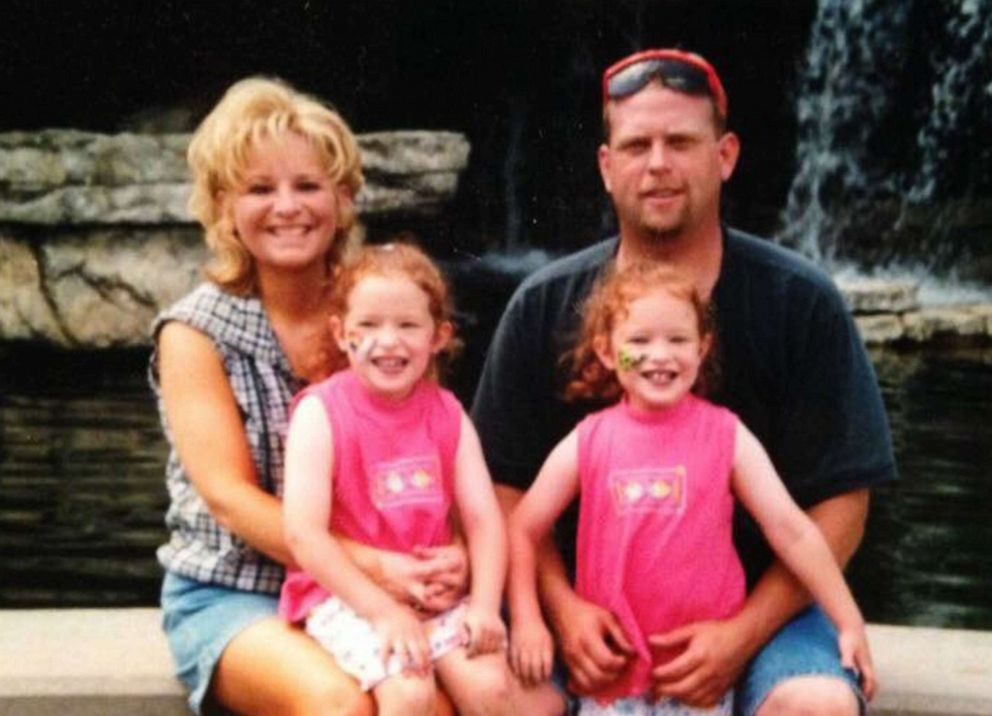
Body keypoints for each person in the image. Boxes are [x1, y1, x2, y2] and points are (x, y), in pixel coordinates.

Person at [471, 48, 897, 716]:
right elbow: (504, 491)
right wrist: (562, 609)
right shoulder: (544, 304)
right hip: (591, 617)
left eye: (681, 142)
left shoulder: (800, 300)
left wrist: (742, 633)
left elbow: (843, 505)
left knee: (816, 705)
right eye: (637, 145)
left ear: (724, 156)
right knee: (494, 691)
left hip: (768, 612)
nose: (659, 164)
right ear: (608, 169)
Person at [150, 77, 469, 715]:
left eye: (307, 185)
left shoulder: (381, 313)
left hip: (362, 590)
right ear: (223, 207)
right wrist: (378, 568)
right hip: (237, 591)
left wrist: (459, 550)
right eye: (260, 189)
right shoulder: (194, 333)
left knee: (441, 700)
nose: (287, 206)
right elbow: (232, 500)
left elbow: (434, 445)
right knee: (344, 704)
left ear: (343, 198)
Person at [506, 262, 877, 715]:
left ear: (702, 349)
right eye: (639, 341)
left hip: (699, 681)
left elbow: (792, 530)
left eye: (677, 340)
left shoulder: (727, 437)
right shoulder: (588, 441)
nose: (659, 355)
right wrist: (528, 620)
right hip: (613, 683)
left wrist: (848, 619)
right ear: (607, 351)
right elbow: (523, 527)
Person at [277, 241, 522, 715]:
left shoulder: (447, 412)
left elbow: (484, 520)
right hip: (349, 597)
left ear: (438, 336)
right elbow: (302, 535)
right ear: (342, 333)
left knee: (491, 689)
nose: (387, 341)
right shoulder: (321, 413)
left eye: (407, 325)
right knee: (411, 692)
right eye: (368, 325)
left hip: (436, 598)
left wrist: (486, 605)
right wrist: (384, 613)